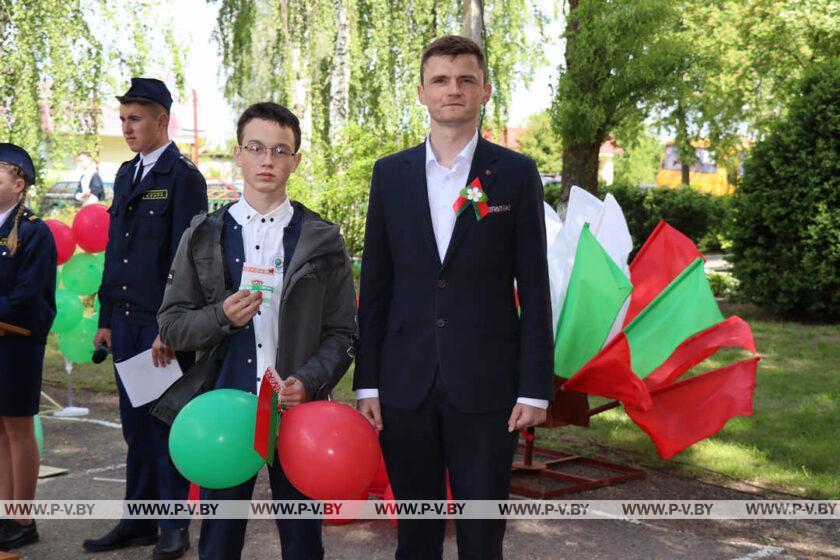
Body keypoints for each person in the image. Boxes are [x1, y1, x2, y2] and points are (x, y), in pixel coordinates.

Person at [354, 35, 554, 559]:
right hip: (404, 384)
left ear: (484, 91)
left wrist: (535, 389)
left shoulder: (514, 174)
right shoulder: (390, 175)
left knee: (482, 536)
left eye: (466, 80)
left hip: (489, 388)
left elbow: (534, 287)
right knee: (415, 536)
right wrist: (368, 381)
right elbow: (375, 287)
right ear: (421, 92)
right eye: (440, 80)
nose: (453, 90)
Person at [157, 101, 357, 560]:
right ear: (239, 154)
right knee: (219, 545)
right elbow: (171, 325)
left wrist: (309, 380)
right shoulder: (204, 235)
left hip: (298, 412)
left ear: (295, 161)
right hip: (224, 410)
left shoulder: (323, 239)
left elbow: (344, 332)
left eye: (281, 150)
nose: (268, 160)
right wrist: (221, 316)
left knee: (304, 544)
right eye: (257, 147)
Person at [83, 78, 208, 560]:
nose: (127, 128)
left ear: (161, 120)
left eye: (135, 119)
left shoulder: (184, 177)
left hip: (162, 327)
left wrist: (170, 328)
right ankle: (138, 519)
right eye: (123, 119)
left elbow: (188, 260)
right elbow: (118, 249)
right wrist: (108, 315)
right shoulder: (126, 174)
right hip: (128, 321)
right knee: (134, 428)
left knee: (164, 426)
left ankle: (174, 526)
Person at [0, 143, 57, 551]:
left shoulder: (34, 231)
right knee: (0, 431)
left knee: (18, 429)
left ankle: (24, 517)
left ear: (18, 184)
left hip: (18, 343)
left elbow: (27, 298)